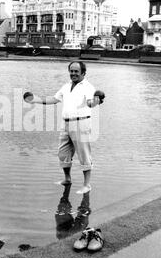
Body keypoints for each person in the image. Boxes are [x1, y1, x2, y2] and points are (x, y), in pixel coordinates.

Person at [24, 61, 104, 194]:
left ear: (83, 73)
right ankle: (67, 179)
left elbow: (90, 103)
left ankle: (87, 185)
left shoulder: (88, 87)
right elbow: (54, 99)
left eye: (76, 71)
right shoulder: (66, 86)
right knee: (63, 154)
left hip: (81, 123)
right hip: (65, 124)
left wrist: (95, 102)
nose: (73, 74)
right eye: (71, 71)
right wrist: (35, 100)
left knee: (84, 154)